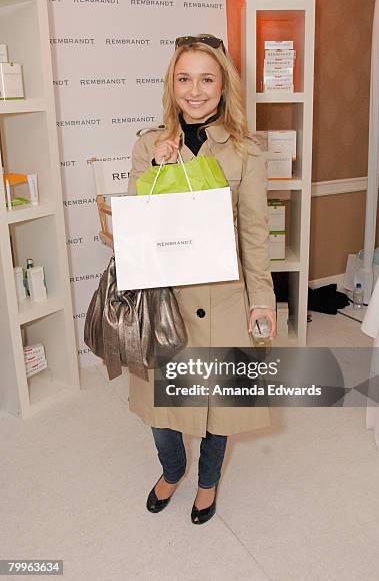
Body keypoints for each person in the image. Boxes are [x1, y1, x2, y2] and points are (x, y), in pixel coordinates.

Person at [127, 33, 277, 525]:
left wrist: (263, 302)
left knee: (221, 405)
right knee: (161, 405)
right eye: (184, 78)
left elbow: (254, 233)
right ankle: (172, 469)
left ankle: (208, 483)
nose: (195, 90)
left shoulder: (247, 151)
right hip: (165, 300)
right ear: (171, 84)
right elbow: (134, 233)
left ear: (223, 85)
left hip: (225, 297)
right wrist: (158, 172)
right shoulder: (148, 145)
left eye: (206, 79)